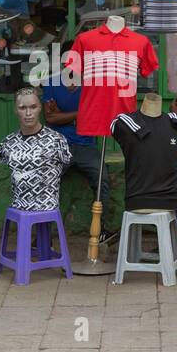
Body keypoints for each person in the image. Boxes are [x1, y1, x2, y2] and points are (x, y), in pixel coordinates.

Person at [41, 38, 112, 238]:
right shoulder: (51, 82)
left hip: (87, 145)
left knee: (102, 180)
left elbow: (97, 114)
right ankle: (43, 235)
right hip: (59, 145)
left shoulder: (92, 85)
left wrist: (64, 116)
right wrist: (82, 113)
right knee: (47, 181)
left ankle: (101, 231)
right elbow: (50, 117)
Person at [0, 87, 72, 211]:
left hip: (47, 206)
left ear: (40, 107)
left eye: (33, 107)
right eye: (22, 108)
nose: (28, 113)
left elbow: (66, 160)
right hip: (18, 206)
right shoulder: (7, 143)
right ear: (15, 110)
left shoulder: (57, 140)